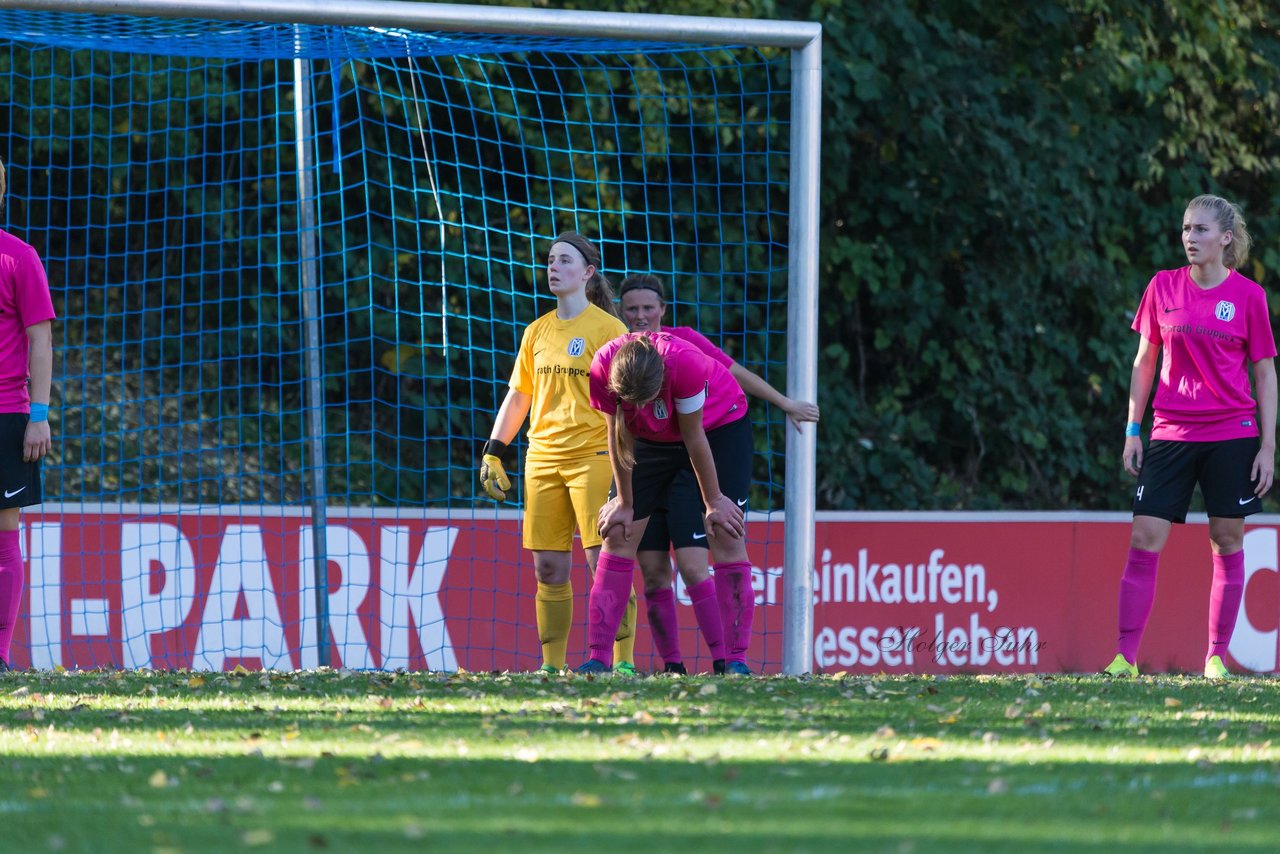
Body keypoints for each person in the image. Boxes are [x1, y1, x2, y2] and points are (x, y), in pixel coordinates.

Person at [1104, 194, 1276, 680]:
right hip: (1170, 432)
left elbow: (1265, 374)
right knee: (1144, 535)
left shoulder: (1249, 297)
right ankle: (1125, 658)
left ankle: (1216, 658)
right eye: (1185, 229)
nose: (1189, 238)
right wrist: (1133, 429)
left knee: (1226, 539)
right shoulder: (1162, 287)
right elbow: (1144, 362)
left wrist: (1267, 445)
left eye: (1200, 230)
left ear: (1225, 239)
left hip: (1232, 433)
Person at [617, 274, 819, 674]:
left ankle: (730, 660)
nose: (640, 316)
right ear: (621, 313)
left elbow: (734, 372)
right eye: (632, 309)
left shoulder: (685, 344)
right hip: (649, 457)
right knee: (654, 571)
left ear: (662, 310)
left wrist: (784, 403)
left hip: (704, 451)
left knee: (697, 563)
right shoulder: (618, 354)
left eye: (648, 308)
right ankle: (671, 667)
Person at [478, 232, 639, 675]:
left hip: (594, 456)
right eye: (550, 260)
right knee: (548, 566)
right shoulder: (536, 332)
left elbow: (628, 401)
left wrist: (629, 456)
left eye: (564, 261)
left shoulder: (611, 330)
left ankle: (621, 662)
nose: (553, 267)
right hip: (542, 459)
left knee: (600, 561)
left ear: (587, 273)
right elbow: (518, 396)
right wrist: (494, 451)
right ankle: (552, 667)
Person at [576, 331, 751, 674]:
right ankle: (598, 659)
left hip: (717, 427)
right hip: (647, 440)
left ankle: (735, 662)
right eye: (632, 402)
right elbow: (617, 434)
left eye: (646, 400)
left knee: (726, 533)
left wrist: (714, 501)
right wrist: (625, 503)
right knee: (617, 533)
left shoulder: (684, 363)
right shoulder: (600, 367)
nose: (640, 409)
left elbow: (693, 436)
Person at [0, 156, 56, 671]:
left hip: (6, 415)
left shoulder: (18, 257)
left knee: (3, 535)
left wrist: (38, 413)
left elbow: (41, 338)